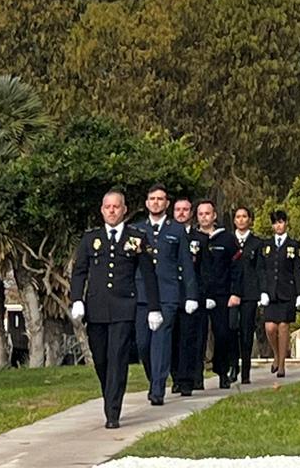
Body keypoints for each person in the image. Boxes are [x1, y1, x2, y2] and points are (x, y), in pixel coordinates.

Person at [68, 188, 157, 429]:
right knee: (101, 360)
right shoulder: (90, 238)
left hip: (123, 307)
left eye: (116, 206)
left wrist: (154, 308)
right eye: (107, 207)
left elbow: (149, 275)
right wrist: (77, 299)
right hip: (96, 308)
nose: (112, 211)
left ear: (124, 209)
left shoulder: (136, 237)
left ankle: (113, 411)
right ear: (102, 210)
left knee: (117, 358)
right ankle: (110, 395)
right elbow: (79, 272)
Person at [131, 183, 198, 405]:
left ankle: (157, 389)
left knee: (161, 339)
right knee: (143, 343)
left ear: (167, 204)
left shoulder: (176, 230)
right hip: (142, 294)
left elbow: (186, 264)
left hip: (168, 294)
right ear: (146, 203)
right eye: (152, 199)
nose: (156, 202)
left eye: (160, 199)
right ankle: (154, 378)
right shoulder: (137, 230)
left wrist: (190, 295)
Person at [258, 208, 300, 377]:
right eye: (275, 223)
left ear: (286, 223)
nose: (278, 226)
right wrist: (262, 291)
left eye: (280, 222)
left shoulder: (293, 245)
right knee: (270, 327)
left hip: (287, 292)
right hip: (271, 293)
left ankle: (282, 365)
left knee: (284, 326)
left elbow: (298, 270)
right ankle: (276, 354)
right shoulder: (267, 246)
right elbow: (262, 270)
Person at [194, 200, 235, 388]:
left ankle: (222, 372)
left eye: (207, 213)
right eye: (201, 214)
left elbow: (236, 267)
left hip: (221, 294)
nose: (204, 217)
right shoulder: (192, 238)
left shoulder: (226, 238)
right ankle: (196, 377)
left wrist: (235, 292)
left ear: (214, 215)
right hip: (199, 294)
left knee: (222, 334)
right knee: (198, 336)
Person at [170, 197, 207, 396]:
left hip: (193, 295)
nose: (181, 213)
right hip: (172, 294)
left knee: (191, 339)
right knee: (173, 340)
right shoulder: (167, 236)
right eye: (178, 209)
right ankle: (175, 377)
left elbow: (203, 269)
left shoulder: (199, 239)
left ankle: (190, 378)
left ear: (191, 213)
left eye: (185, 209)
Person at [226, 204, 265, 385]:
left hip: (250, 293)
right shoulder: (228, 241)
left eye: (244, 216)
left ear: (250, 220)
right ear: (234, 220)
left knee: (247, 331)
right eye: (238, 217)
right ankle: (233, 366)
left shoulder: (257, 243)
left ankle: (246, 371)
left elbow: (260, 269)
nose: (241, 220)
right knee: (232, 328)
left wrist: (262, 292)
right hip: (232, 293)